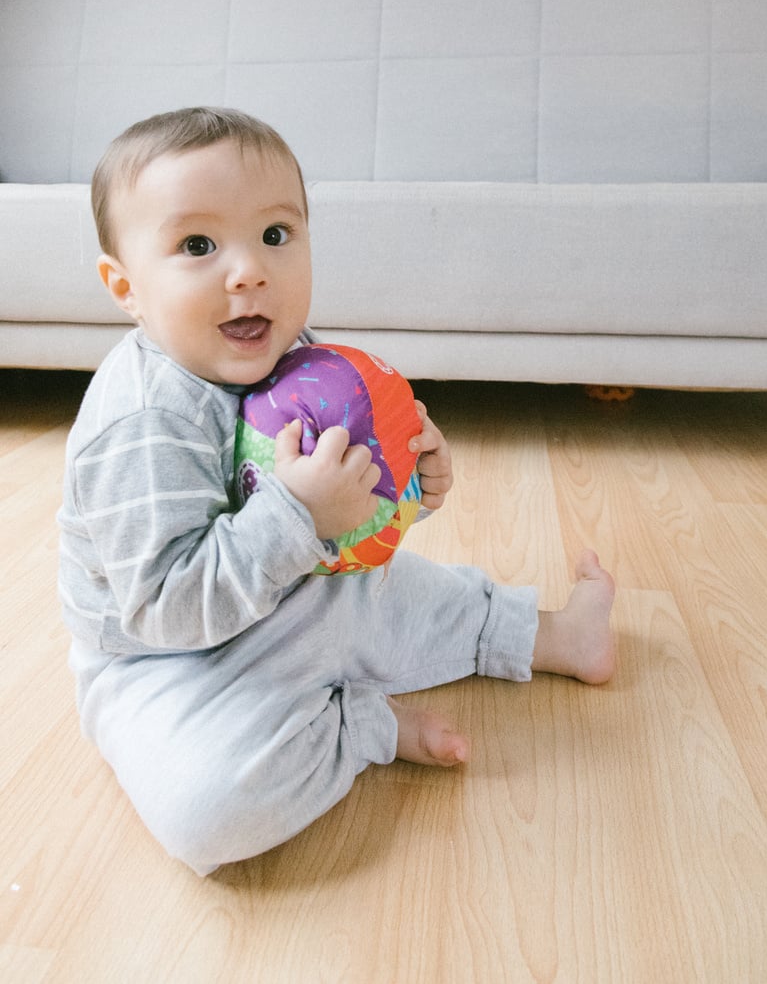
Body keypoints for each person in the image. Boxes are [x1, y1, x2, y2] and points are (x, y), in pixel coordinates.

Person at [58, 106, 615, 876]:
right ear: (126, 287)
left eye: (276, 236)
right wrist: (297, 517)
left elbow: (355, 521)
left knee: (390, 594)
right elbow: (164, 606)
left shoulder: (297, 356)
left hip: (284, 593)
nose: (248, 270)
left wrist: (412, 478)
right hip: (163, 664)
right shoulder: (144, 424)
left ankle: (552, 634)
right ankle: (362, 725)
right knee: (204, 812)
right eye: (197, 245)